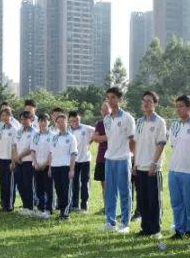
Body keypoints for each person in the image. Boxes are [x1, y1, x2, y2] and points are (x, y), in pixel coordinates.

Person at [166, 95, 190, 240]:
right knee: (176, 202)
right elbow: (172, 146)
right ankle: (179, 230)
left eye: (181, 106)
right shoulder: (174, 126)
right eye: (177, 106)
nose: (178, 109)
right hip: (174, 169)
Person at [129, 91, 167, 239]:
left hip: (152, 167)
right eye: (144, 100)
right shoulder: (139, 122)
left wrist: (154, 163)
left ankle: (156, 229)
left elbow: (161, 144)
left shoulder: (159, 122)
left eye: (149, 101)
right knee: (142, 199)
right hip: (140, 166)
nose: (146, 103)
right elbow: (136, 144)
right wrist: (135, 163)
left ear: (155, 103)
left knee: (154, 199)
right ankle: (145, 228)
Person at [102, 87, 136, 234]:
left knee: (124, 191)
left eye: (113, 97)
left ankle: (125, 223)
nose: (110, 100)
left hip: (123, 159)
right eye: (108, 97)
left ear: (120, 99)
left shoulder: (128, 118)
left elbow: (132, 140)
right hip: (109, 159)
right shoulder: (106, 119)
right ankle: (110, 222)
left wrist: (134, 159)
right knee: (110, 192)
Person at [47, 113, 77, 221]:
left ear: (67, 122)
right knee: (58, 189)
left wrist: (72, 169)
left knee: (66, 190)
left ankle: (66, 213)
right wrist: (50, 168)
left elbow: (73, 154)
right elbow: (51, 153)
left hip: (66, 167)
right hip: (55, 167)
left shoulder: (71, 137)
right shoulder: (54, 137)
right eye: (58, 122)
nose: (60, 124)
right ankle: (61, 210)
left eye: (62, 121)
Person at [68, 110, 94, 213]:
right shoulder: (68, 131)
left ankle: (84, 205)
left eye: (77, 120)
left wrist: (89, 142)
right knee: (74, 183)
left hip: (85, 160)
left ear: (80, 118)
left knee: (84, 182)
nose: (75, 123)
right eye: (73, 121)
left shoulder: (87, 128)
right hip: (73, 161)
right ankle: (75, 204)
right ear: (69, 120)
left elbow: (96, 133)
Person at [13, 110, 37, 215]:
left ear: (31, 119)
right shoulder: (18, 131)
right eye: (22, 119)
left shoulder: (34, 132)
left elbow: (31, 147)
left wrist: (20, 156)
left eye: (26, 119)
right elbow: (14, 145)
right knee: (20, 185)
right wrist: (14, 158)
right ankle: (25, 205)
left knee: (28, 185)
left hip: (28, 161)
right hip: (18, 162)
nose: (23, 121)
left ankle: (30, 207)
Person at [0, 106, 17, 211]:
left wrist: (13, 162)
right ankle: (3, 203)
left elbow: (14, 147)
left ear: (10, 116)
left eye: (7, 115)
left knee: (9, 183)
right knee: (2, 182)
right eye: (3, 115)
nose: (5, 117)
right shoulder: (0, 127)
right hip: (1, 158)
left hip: (9, 159)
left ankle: (9, 205)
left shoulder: (14, 129)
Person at [31, 114, 53, 219]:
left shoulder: (53, 135)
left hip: (48, 166)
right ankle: (41, 208)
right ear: (38, 122)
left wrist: (46, 164)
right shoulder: (35, 135)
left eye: (45, 121)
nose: (43, 123)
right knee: (39, 187)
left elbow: (52, 152)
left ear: (49, 122)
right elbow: (33, 150)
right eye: (41, 121)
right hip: (37, 166)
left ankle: (49, 209)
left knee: (48, 188)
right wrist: (35, 163)